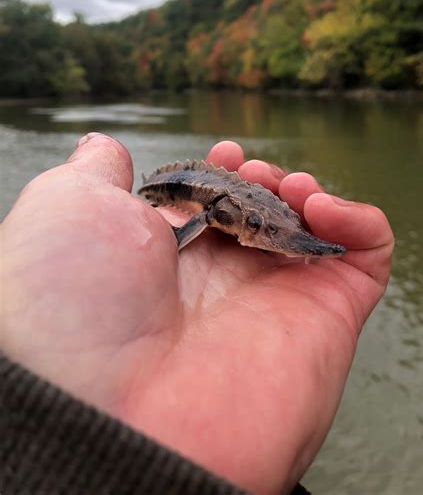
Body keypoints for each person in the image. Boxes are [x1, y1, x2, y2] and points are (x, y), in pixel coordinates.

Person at [0, 134, 394, 495]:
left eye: (276, 227)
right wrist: (167, 241)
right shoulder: (206, 211)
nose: (271, 236)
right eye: (258, 226)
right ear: (215, 215)